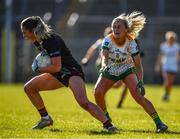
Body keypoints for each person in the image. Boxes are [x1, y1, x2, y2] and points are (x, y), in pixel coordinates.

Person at [21, 16, 117, 132]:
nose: (24, 35)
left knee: (83, 102)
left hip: (72, 72)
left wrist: (40, 68)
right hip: (58, 74)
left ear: (33, 31)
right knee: (29, 88)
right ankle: (45, 119)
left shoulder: (50, 39)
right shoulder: (38, 40)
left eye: (25, 32)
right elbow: (55, 67)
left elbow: (57, 66)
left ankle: (109, 125)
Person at [93, 11, 168, 133]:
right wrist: (104, 66)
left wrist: (141, 82)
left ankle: (160, 123)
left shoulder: (131, 42)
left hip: (127, 69)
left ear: (126, 29)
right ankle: (107, 120)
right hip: (110, 69)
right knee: (97, 92)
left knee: (138, 96)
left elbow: (138, 65)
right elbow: (104, 57)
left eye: (119, 27)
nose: (115, 29)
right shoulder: (107, 40)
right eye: (114, 27)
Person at [81, 27, 129, 108]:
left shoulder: (119, 43)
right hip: (102, 64)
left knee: (117, 85)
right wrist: (86, 59)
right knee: (103, 84)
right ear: (105, 34)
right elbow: (92, 49)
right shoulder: (100, 42)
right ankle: (102, 103)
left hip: (115, 65)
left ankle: (107, 91)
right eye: (108, 33)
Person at [155, 31, 180, 101]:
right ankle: (165, 94)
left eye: (173, 38)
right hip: (166, 65)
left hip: (174, 66)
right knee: (167, 80)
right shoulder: (164, 45)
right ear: (167, 39)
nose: (171, 40)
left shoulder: (176, 46)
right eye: (170, 38)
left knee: (171, 82)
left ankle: (167, 94)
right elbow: (161, 56)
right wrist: (158, 65)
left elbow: (178, 55)